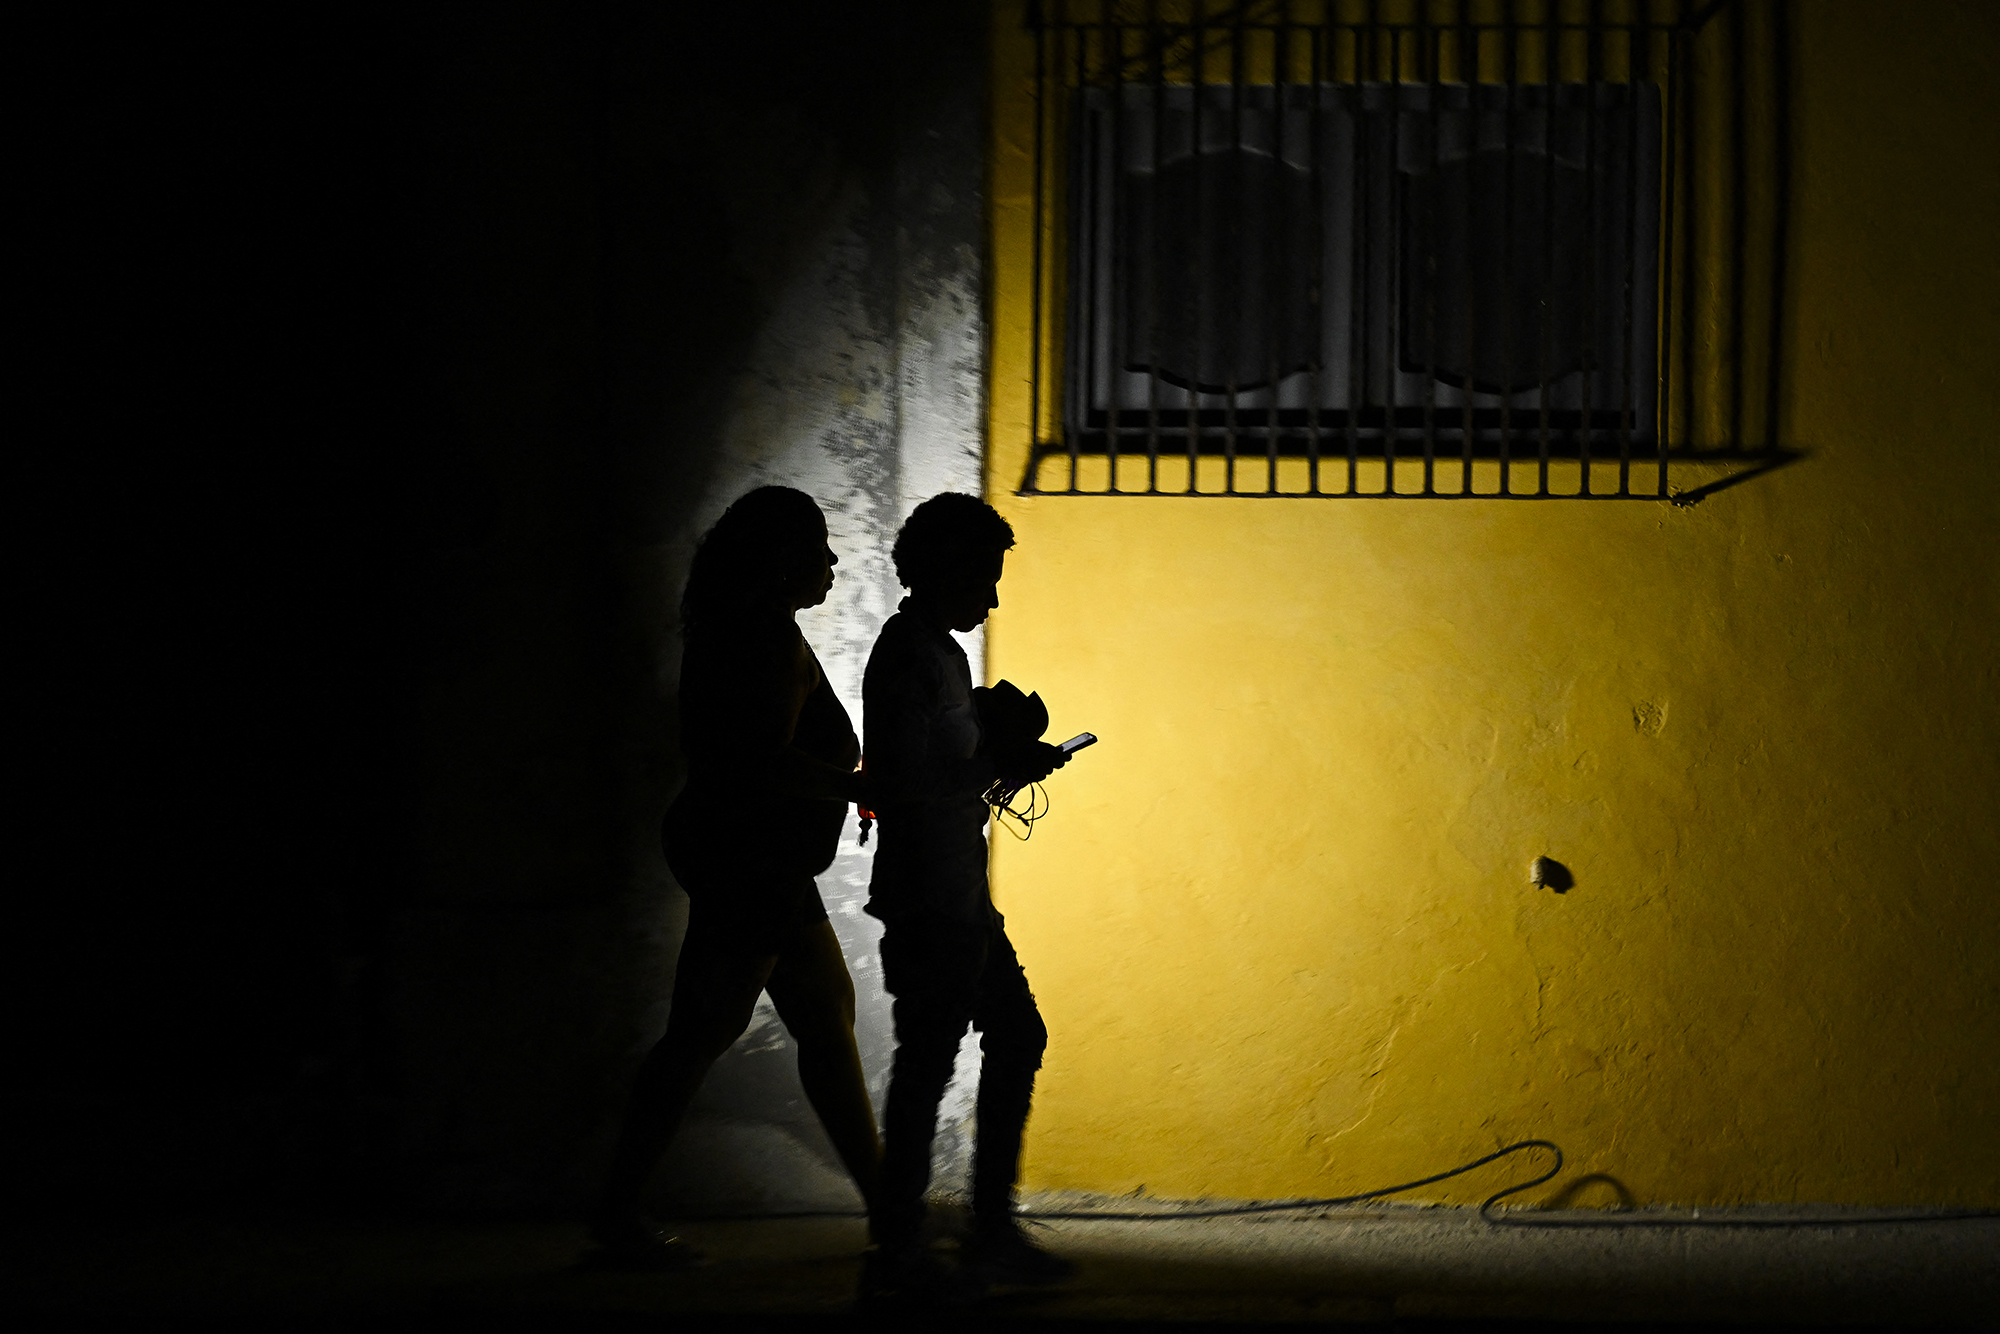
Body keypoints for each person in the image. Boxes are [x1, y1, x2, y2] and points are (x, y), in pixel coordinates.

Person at [594, 486, 880, 1268]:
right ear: (779, 559)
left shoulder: (745, 629)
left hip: (757, 856)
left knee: (824, 1013)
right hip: (753, 858)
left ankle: (891, 1210)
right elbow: (761, 763)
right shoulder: (767, 641)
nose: (832, 560)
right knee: (704, 1032)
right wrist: (856, 787)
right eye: (817, 546)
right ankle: (615, 1214)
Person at [860, 492, 1075, 1296]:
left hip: (958, 894)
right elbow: (903, 782)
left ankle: (976, 1232)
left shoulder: (940, 654)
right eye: (984, 580)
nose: (992, 600)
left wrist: (1002, 759)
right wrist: (999, 763)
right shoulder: (907, 657)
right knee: (931, 1065)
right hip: (928, 898)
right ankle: (905, 1253)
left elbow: (944, 772)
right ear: (944, 572)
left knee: (1007, 1038)